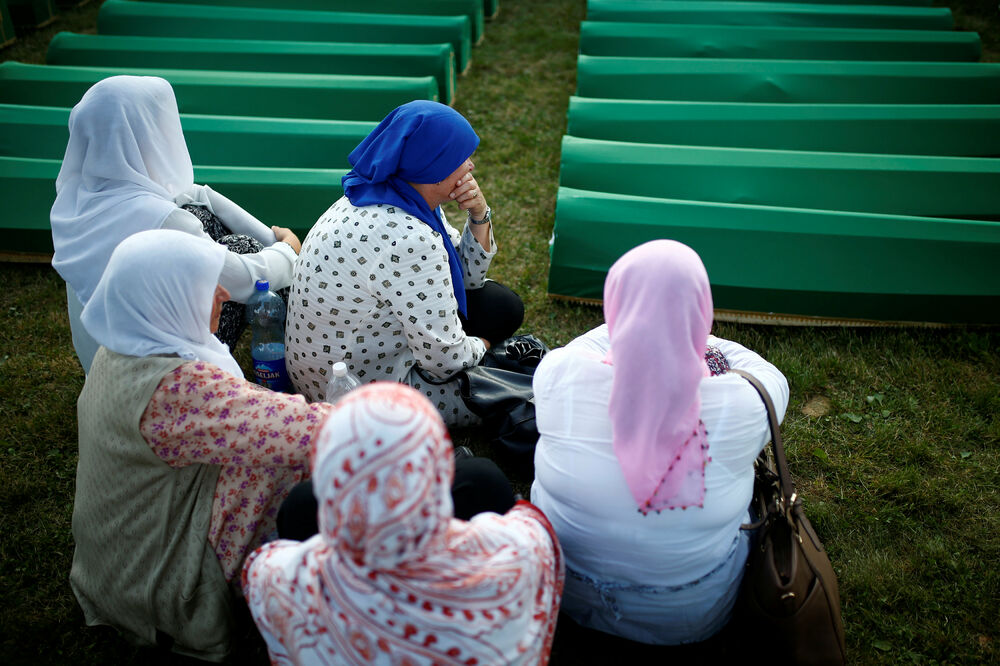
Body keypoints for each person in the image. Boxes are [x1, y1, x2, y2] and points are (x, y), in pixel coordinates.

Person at [69, 229, 328, 662]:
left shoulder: (123, 346)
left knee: (273, 450)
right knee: (308, 463)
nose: (224, 294)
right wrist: (395, 421)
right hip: (160, 584)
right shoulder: (176, 387)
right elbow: (303, 430)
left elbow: (254, 419)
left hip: (114, 566)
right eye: (206, 285)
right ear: (166, 297)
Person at [530, 240, 789, 646]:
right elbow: (765, 373)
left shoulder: (558, 374)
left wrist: (641, 320)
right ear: (701, 309)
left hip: (565, 591)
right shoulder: (747, 401)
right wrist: (694, 335)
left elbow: (590, 344)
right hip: (688, 615)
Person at [243, 382, 565, 665]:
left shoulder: (276, 583)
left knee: (299, 504)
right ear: (442, 470)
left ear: (326, 478)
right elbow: (533, 529)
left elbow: (263, 564)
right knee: (484, 479)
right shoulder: (520, 559)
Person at [285, 100, 524, 425]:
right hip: (353, 396)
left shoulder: (391, 191)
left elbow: (467, 278)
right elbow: (447, 361)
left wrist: (480, 216)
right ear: (432, 166)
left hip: (331, 366)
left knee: (502, 306)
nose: (470, 166)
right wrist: (484, 347)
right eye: (460, 158)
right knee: (512, 390)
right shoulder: (409, 239)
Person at [50, 75, 301, 373]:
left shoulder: (77, 199)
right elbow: (244, 281)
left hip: (104, 364)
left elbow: (191, 194)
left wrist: (269, 237)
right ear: (144, 133)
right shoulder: (157, 217)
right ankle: (304, 352)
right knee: (242, 249)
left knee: (203, 215)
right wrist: (288, 249)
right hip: (157, 369)